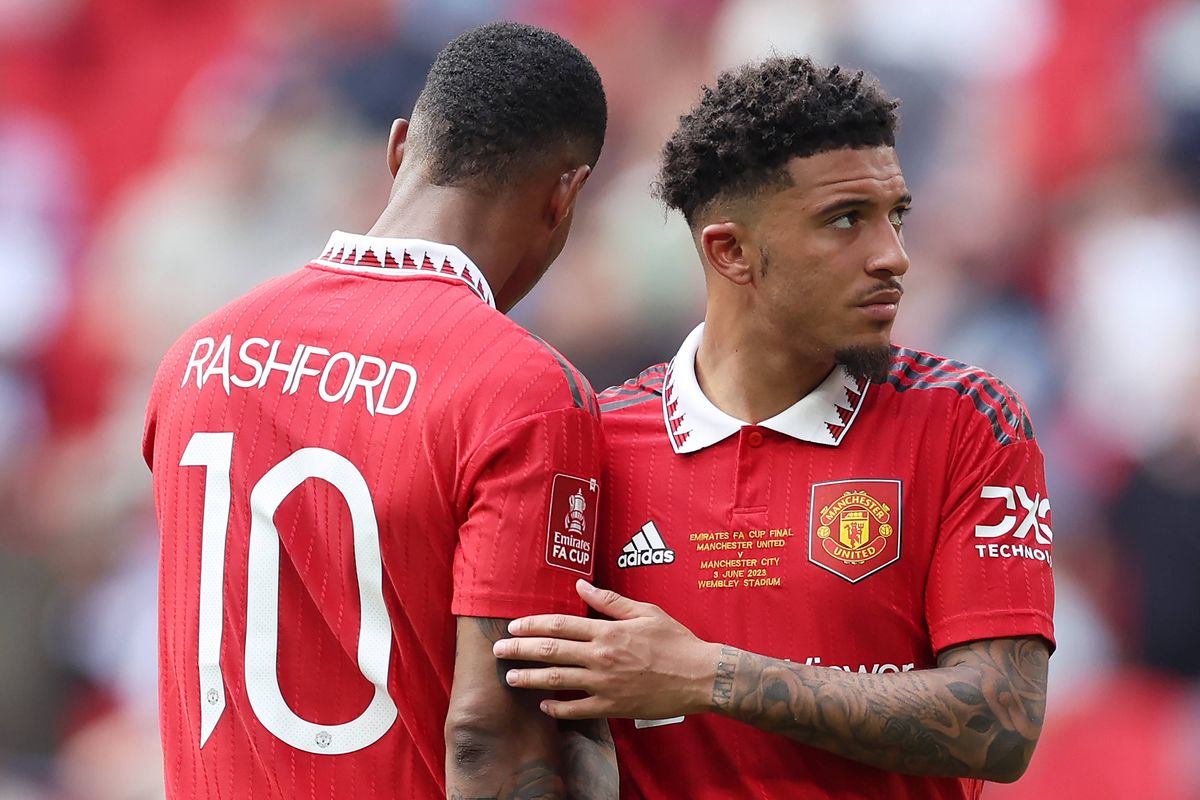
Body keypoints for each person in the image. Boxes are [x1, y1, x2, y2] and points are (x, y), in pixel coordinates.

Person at [494, 56, 1054, 799]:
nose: (894, 256)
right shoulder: (592, 440)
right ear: (730, 252)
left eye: (897, 215)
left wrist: (710, 676)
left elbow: (1002, 721)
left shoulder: (966, 421)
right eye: (846, 220)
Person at [142, 22, 616, 800]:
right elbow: (488, 733)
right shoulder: (521, 388)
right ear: (566, 193)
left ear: (397, 150)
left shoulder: (196, 355)